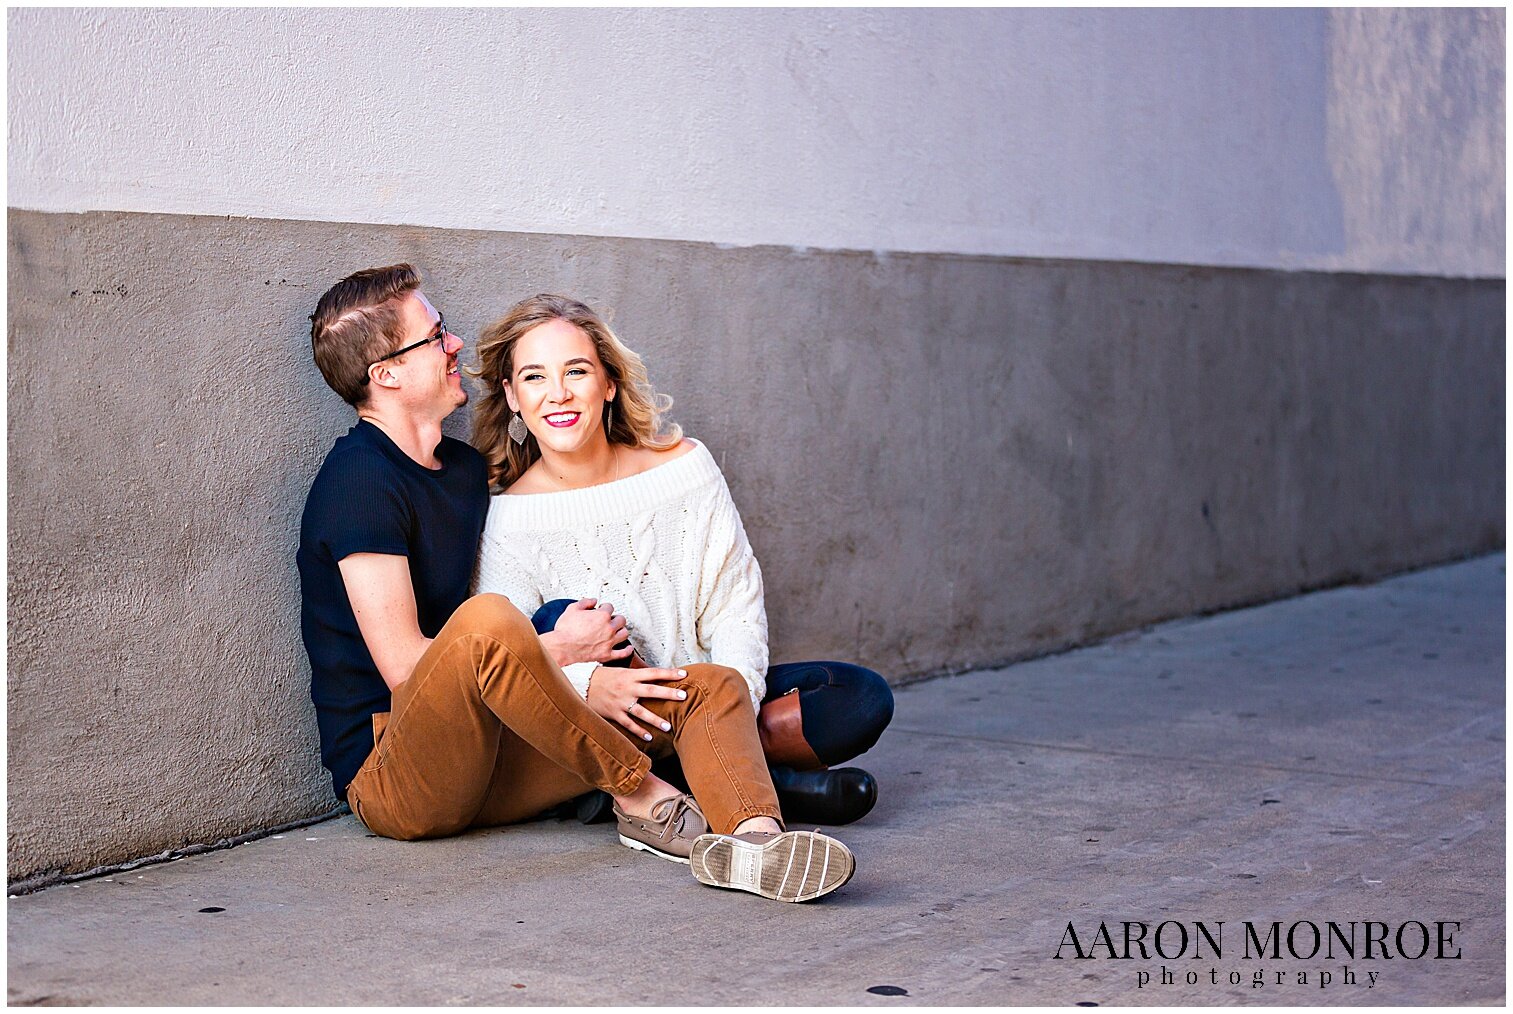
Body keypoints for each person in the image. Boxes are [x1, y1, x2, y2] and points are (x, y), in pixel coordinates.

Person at [296, 264, 855, 902]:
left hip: (496, 753)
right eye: (435, 336)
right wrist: (565, 653)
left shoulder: (458, 470)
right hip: (398, 773)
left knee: (708, 686)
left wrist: (594, 676)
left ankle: (759, 844)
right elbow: (407, 672)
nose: (454, 346)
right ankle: (641, 796)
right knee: (488, 620)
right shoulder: (360, 482)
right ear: (387, 372)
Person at [468, 293, 894, 831]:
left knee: (860, 698)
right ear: (511, 396)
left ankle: (676, 780)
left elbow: (735, 606)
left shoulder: (686, 467)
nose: (558, 394)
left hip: (706, 688)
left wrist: (725, 708)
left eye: (576, 370)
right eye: (534, 377)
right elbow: (512, 666)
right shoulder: (509, 519)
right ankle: (768, 787)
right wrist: (587, 683)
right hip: (613, 714)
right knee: (559, 617)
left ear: (609, 383)